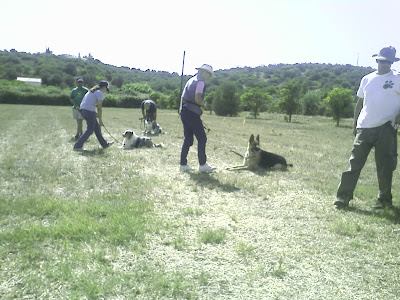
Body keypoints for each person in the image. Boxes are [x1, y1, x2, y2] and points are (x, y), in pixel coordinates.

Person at [335, 46, 400, 209]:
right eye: (380, 60)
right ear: (376, 60)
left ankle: (384, 200)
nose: (383, 64)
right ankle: (343, 197)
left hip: (387, 127)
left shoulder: (398, 78)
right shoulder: (366, 79)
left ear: (391, 62)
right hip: (364, 127)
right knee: (354, 163)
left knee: (385, 166)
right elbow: (360, 102)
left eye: (387, 62)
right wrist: (354, 122)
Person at [179, 64, 216, 172]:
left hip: (184, 112)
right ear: (204, 73)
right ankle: (202, 164)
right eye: (209, 75)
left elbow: (183, 97)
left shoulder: (191, 80)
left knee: (188, 139)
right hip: (192, 113)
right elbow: (198, 98)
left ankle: (183, 164)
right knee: (202, 138)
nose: (209, 77)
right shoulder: (200, 82)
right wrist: (204, 105)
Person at [73, 81, 114, 151]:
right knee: (90, 130)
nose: (105, 91)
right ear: (104, 87)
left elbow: (88, 104)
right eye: (106, 89)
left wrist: (94, 114)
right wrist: (100, 120)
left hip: (83, 110)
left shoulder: (92, 91)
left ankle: (104, 144)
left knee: (97, 129)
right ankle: (77, 146)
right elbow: (99, 107)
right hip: (89, 111)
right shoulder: (99, 93)